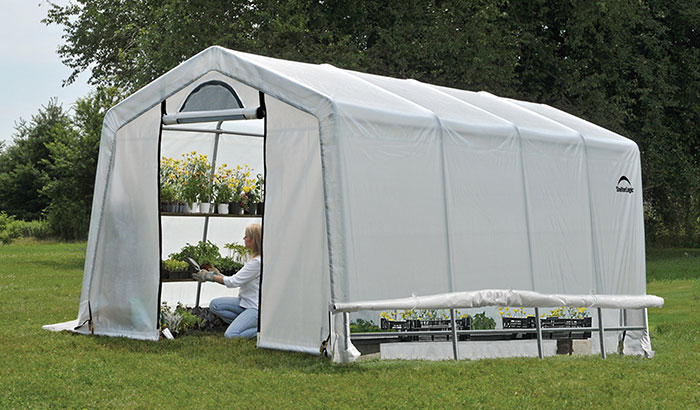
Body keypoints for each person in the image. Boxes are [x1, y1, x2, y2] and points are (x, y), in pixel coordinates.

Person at [193, 223, 261, 339]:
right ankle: (243, 324)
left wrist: (210, 277)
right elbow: (236, 279)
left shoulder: (257, 262)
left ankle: (261, 331)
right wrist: (218, 274)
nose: (243, 239)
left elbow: (233, 282)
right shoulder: (254, 259)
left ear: (253, 240)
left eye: (246, 236)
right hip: (244, 303)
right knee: (215, 305)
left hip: (255, 308)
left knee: (230, 335)